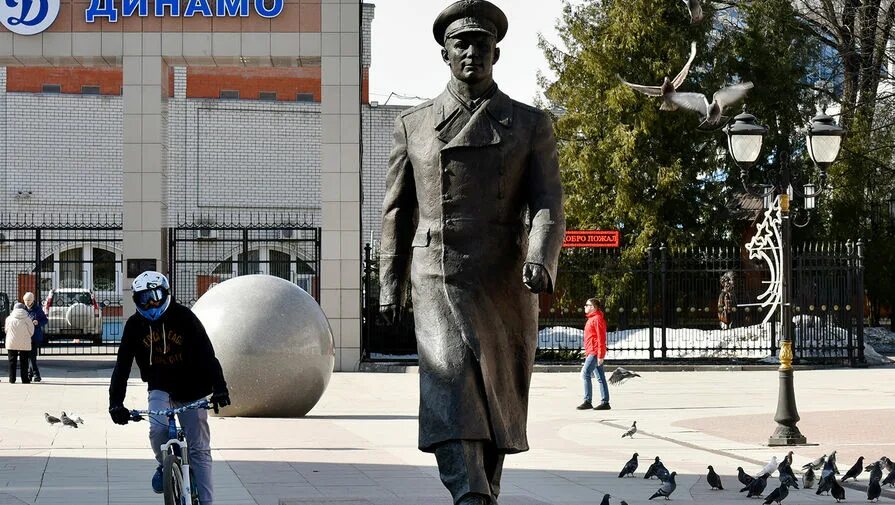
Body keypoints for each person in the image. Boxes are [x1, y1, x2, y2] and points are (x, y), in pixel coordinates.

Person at [378, 1, 565, 503]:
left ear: (496, 53)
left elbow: (548, 202)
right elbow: (396, 211)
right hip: (438, 273)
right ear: (444, 53)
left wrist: (541, 258)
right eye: (461, 44)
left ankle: (484, 490)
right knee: (452, 382)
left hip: (505, 276)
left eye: (481, 44)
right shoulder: (413, 125)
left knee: (496, 395)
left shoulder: (530, 124)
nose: (471, 53)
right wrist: (388, 283)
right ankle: (472, 495)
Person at [108, 271, 230, 505]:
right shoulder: (135, 325)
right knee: (157, 431)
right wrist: (115, 403)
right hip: (160, 387)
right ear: (136, 301)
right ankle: (164, 463)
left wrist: (220, 388)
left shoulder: (184, 317)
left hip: (193, 388)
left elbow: (207, 354)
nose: (151, 304)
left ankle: (206, 501)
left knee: (199, 450)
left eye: (155, 296)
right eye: (144, 299)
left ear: (166, 294)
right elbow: (122, 365)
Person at [578, 298, 610, 410]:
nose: (584, 307)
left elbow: (601, 338)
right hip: (591, 351)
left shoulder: (597, 319)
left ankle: (587, 401)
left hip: (595, 352)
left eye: (587, 305)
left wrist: (601, 355)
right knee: (600, 377)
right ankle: (605, 402)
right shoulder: (592, 319)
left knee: (586, 373)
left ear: (593, 307)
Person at [5, 302, 33, 383]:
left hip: (11, 342)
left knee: (12, 361)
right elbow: (31, 331)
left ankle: (12, 379)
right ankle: (24, 379)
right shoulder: (27, 319)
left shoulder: (9, 318)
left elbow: (6, 330)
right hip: (25, 342)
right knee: (24, 362)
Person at [22, 292, 48, 382]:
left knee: (32, 356)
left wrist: (38, 323)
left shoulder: (37, 309)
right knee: (30, 356)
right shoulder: (22, 309)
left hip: (35, 336)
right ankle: (34, 374)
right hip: (25, 336)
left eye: (29, 300)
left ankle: (34, 375)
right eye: (25, 300)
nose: (27, 302)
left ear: (33, 300)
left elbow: (45, 320)